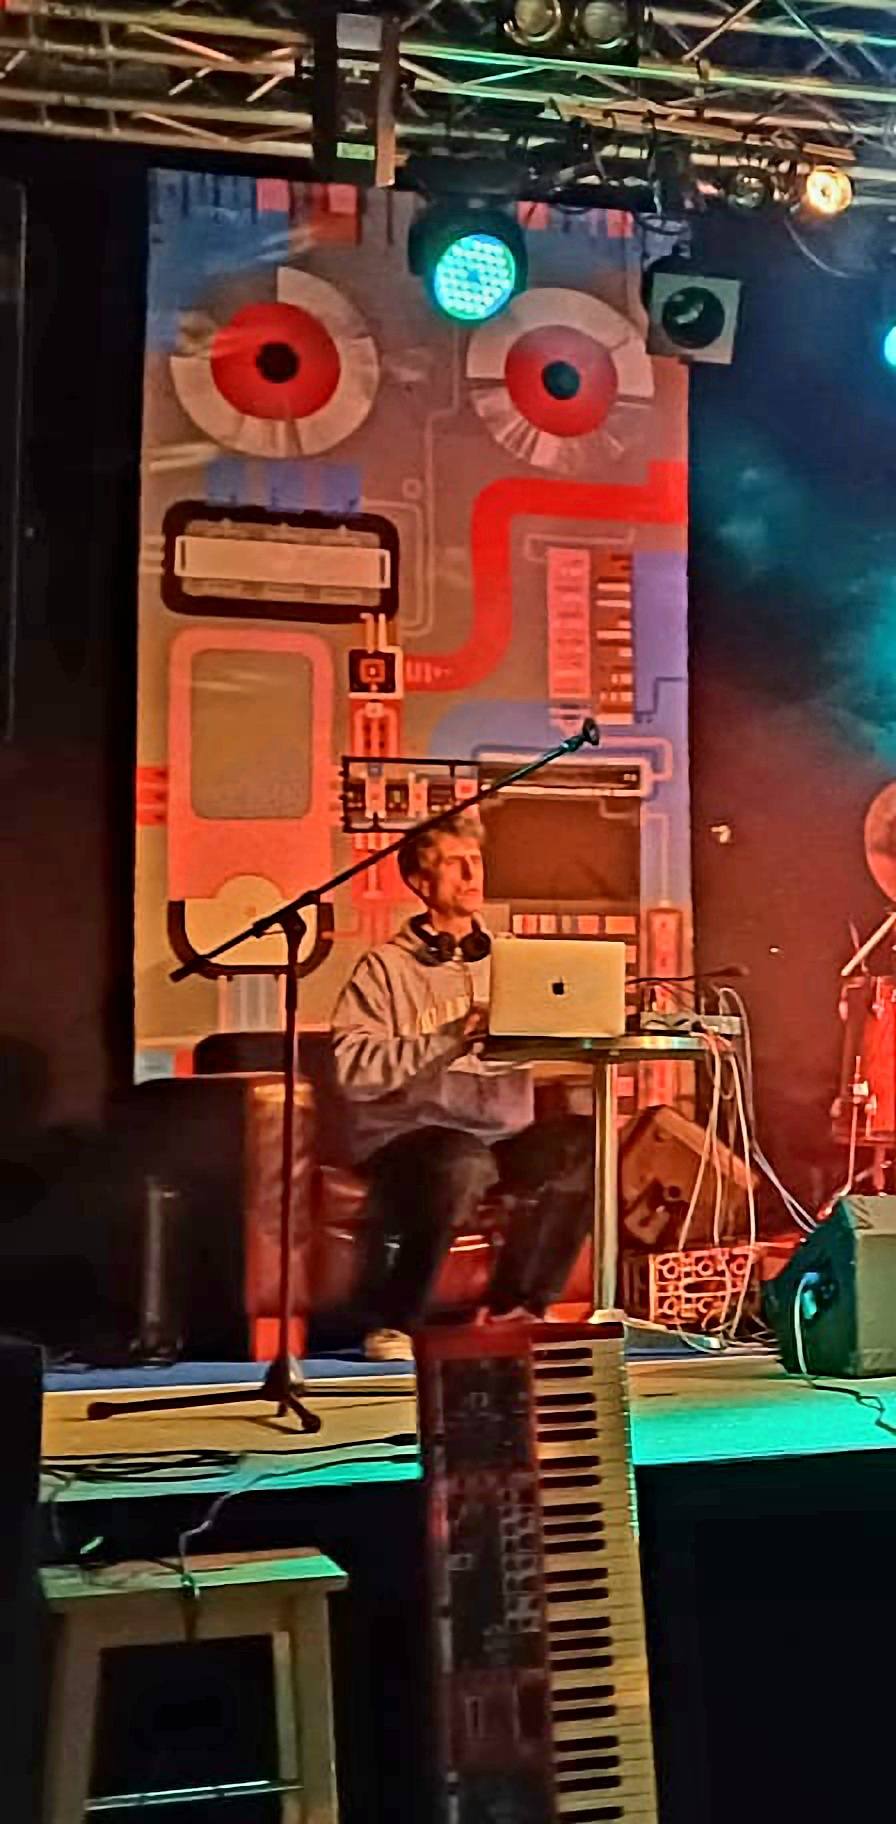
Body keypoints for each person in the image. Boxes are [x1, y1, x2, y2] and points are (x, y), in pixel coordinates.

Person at [329, 810, 593, 1359]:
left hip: (499, 1137)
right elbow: (354, 1072)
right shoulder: (383, 970)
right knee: (461, 1160)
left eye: (476, 861)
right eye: (455, 864)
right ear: (420, 882)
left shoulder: (513, 960)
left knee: (582, 1143)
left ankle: (517, 1310)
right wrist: (448, 1039)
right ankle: (395, 1323)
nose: (473, 874)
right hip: (409, 1140)